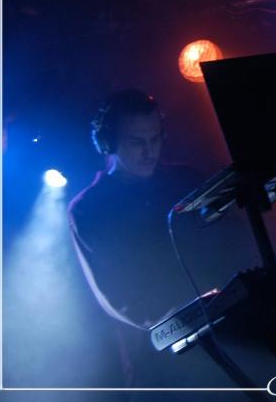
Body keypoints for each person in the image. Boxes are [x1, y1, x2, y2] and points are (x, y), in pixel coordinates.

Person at [68, 89, 257, 390]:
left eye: (155, 139)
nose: (149, 151)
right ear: (108, 143)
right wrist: (179, 320)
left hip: (237, 340)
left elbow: (237, 242)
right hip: (164, 368)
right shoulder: (89, 208)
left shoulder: (187, 180)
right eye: (136, 142)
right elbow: (117, 295)